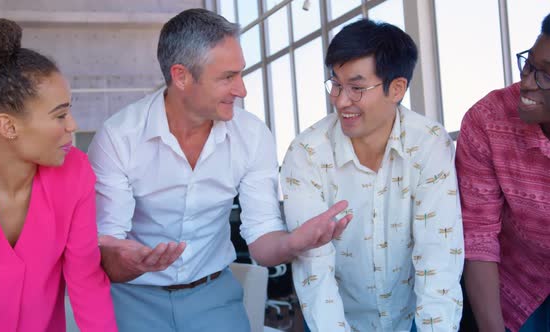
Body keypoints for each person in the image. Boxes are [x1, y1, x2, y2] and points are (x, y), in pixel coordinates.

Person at [87, 8, 352, 332]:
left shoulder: (252, 135)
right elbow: (107, 245)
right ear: (181, 76)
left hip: (213, 296)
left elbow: (262, 240)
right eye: (228, 77)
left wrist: (295, 242)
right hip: (132, 296)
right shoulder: (118, 137)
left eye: (240, 74)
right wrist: (126, 260)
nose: (242, 90)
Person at [280, 19, 464, 332]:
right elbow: (315, 269)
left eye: (356, 88)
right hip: (333, 319)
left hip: (413, 317)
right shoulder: (307, 153)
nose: (340, 100)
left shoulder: (429, 143)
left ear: (397, 88)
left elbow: (439, 257)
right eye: (335, 84)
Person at [0, 19, 117, 331]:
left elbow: (86, 281)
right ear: (9, 126)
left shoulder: (76, 173)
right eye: (60, 115)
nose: (72, 125)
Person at [456, 13, 550, 332]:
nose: (527, 82)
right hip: (511, 289)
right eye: (529, 64)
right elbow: (479, 234)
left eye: (547, 76)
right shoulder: (487, 119)